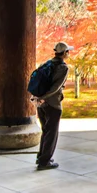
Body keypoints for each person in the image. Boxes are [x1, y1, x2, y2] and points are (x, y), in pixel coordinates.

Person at [32, 41, 72, 170]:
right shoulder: (63, 67)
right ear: (65, 53)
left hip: (40, 103)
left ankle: (41, 156)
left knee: (46, 130)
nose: (69, 53)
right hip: (52, 103)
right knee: (52, 132)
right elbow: (56, 87)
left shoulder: (47, 64)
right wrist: (44, 98)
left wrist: (38, 98)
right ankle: (45, 161)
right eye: (68, 51)